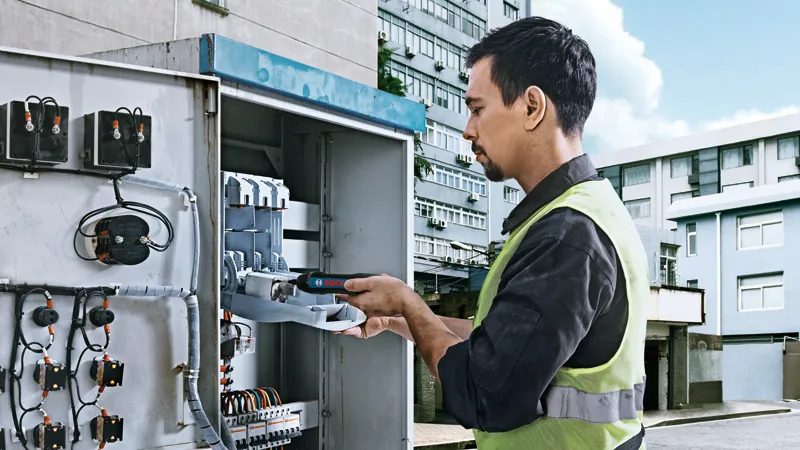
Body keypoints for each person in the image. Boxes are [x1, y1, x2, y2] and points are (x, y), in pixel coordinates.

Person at [336, 16, 650, 450]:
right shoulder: (588, 210)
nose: (468, 129)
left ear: (532, 107)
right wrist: (400, 317)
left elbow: (481, 392)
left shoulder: (567, 235)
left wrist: (408, 300)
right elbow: (506, 346)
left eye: (478, 108)